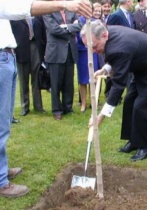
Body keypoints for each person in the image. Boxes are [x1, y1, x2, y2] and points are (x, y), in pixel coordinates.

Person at [0, 0, 92, 198]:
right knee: (1, 125)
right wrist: (65, 6)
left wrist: (67, 23)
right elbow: (26, 11)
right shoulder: (42, 10)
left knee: (4, 121)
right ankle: (1, 180)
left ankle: (2, 168)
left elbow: (77, 26)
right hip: (6, 58)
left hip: (8, 56)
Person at [84, 20, 147, 161]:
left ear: (104, 35)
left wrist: (101, 115)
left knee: (141, 107)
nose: (93, 51)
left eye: (94, 46)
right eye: (89, 47)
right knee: (129, 101)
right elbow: (119, 58)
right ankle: (134, 141)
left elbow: (118, 84)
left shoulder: (118, 47)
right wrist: (105, 69)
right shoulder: (107, 33)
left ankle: (145, 147)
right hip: (141, 67)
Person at [43, 3, 82, 120]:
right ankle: (57, 110)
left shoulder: (71, 11)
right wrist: (71, 28)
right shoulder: (48, 11)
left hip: (70, 51)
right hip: (55, 53)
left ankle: (68, 108)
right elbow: (53, 29)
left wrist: (65, 26)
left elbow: (80, 25)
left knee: (69, 83)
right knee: (56, 83)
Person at [10, 16, 47, 116]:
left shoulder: (38, 16)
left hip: (36, 47)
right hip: (21, 50)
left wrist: (44, 50)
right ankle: (25, 107)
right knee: (23, 80)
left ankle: (38, 106)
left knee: (36, 78)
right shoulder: (15, 16)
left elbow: (43, 33)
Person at [76, 2, 105, 112]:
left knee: (94, 78)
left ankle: (94, 103)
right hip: (82, 53)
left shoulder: (95, 22)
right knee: (83, 80)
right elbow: (77, 38)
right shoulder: (79, 21)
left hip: (94, 52)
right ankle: (83, 103)